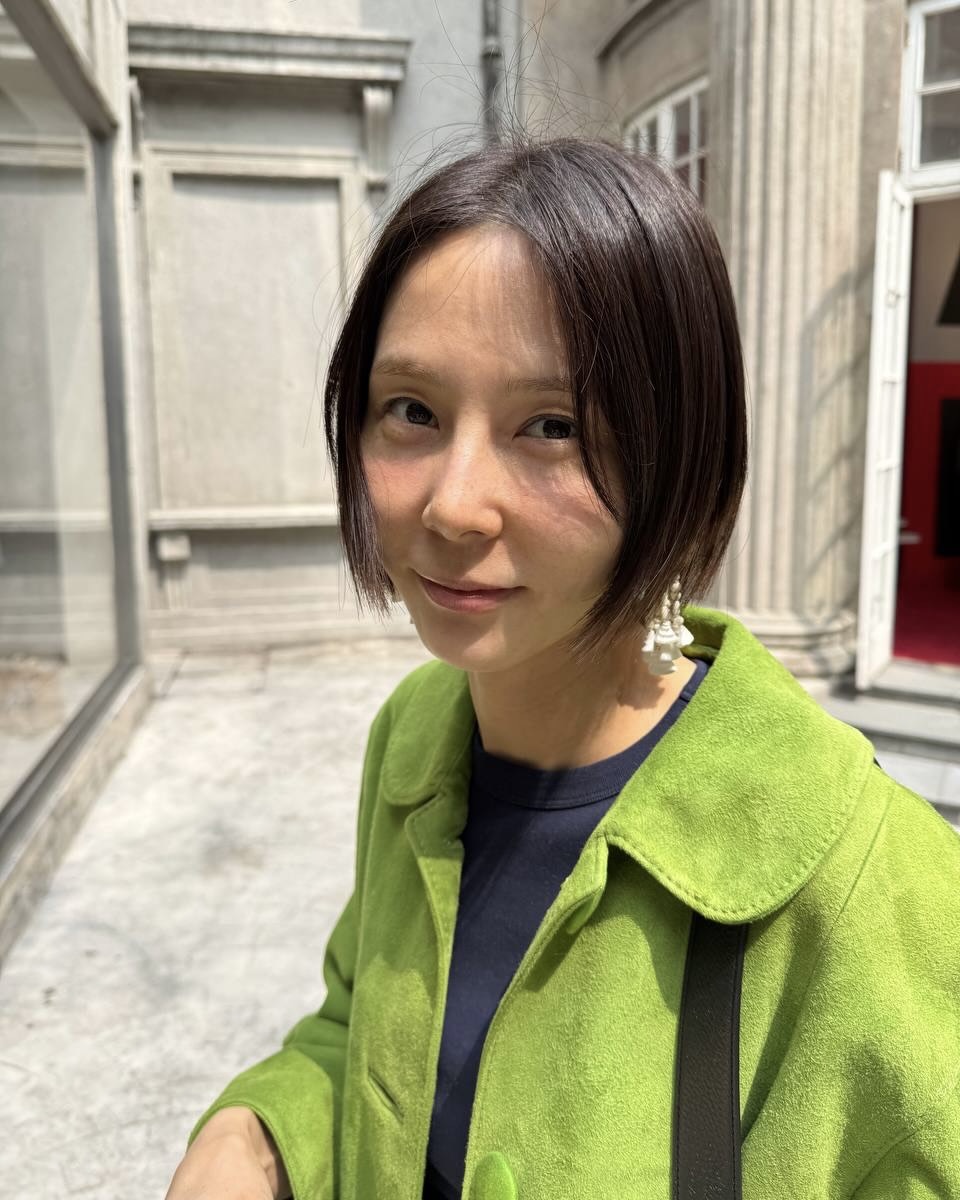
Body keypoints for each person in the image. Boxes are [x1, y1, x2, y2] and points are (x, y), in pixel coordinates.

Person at [164, 137, 960, 1200]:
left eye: (551, 427)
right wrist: (254, 1134)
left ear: (680, 454)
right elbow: (363, 1030)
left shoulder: (867, 883)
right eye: (412, 411)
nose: (453, 505)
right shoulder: (416, 741)